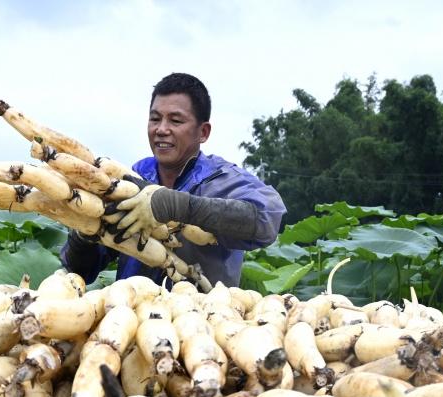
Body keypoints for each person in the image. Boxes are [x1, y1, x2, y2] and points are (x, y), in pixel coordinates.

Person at [61, 73, 286, 288]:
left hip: (203, 319)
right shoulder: (134, 175)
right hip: (129, 318)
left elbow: (268, 219)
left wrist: (176, 206)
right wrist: (85, 232)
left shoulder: (221, 179)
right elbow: (82, 269)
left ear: (203, 132)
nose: (161, 129)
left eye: (176, 121)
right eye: (155, 119)